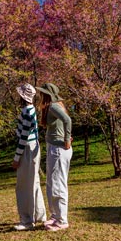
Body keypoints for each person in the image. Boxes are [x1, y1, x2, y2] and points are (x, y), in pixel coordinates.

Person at [11, 83, 46, 231]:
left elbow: (24, 136)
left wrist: (17, 157)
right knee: (34, 182)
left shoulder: (27, 111)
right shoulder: (31, 110)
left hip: (27, 148)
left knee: (24, 185)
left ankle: (27, 219)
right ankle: (40, 215)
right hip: (34, 147)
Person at [38, 82, 72, 232]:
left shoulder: (53, 106)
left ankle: (62, 220)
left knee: (58, 184)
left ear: (47, 94)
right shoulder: (54, 106)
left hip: (59, 149)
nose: (40, 95)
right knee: (52, 183)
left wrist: (66, 139)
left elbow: (67, 120)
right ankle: (55, 215)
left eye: (42, 93)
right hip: (54, 148)